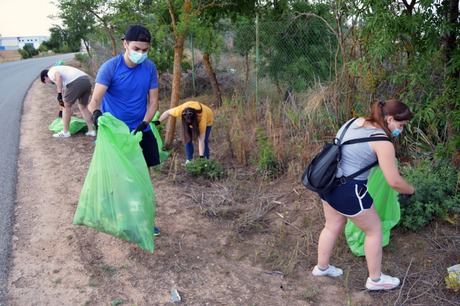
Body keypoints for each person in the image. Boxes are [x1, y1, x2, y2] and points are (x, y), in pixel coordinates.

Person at [312, 98, 415, 291]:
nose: (401, 130)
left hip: (328, 183)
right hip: (349, 191)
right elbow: (394, 181)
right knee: (374, 230)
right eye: (400, 125)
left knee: (332, 225)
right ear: (390, 119)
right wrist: (411, 190)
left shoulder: (353, 121)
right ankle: (375, 280)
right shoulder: (382, 142)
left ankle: (322, 267)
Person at [88, 24, 161, 236]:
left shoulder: (149, 68)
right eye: (136, 49)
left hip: (140, 131)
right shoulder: (110, 68)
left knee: (142, 177)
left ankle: (143, 220)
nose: (141, 54)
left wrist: (145, 123)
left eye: (145, 50)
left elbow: (154, 101)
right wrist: (96, 115)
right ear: (125, 44)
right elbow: (95, 100)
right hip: (115, 134)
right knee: (117, 178)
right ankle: (120, 217)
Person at [40, 66, 95, 138]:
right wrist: (60, 108)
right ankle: (91, 131)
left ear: (45, 77)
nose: (49, 83)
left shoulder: (51, 72)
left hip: (76, 81)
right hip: (86, 81)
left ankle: (65, 132)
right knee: (83, 107)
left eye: (46, 82)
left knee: (66, 106)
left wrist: (59, 94)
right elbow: (63, 94)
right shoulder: (62, 73)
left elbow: (58, 76)